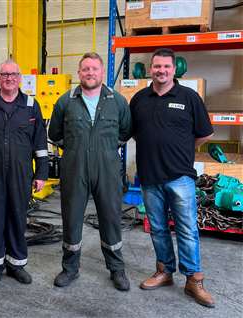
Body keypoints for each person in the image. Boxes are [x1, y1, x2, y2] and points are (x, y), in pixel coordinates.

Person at [130, 48, 215, 307]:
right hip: (149, 176)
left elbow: (204, 134)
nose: (161, 71)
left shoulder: (189, 97)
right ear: (150, 69)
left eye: (166, 66)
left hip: (180, 177)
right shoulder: (139, 99)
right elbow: (135, 133)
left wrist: (181, 151)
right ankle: (165, 271)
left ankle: (193, 280)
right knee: (157, 229)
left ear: (174, 69)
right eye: (157, 66)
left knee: (187, 229)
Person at [48, 52, 132, 291]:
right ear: (79, 73)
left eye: (94, 69)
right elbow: (55, 134)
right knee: (72, 219)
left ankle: (117, 269)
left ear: (102, 72)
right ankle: (69, 269)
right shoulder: (66, 101)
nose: (90, 73)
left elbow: (125, 131)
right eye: (85, 69)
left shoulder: (117, 101)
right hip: (75, 169)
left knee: (111, 218)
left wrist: (102, 148)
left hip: (107, 169)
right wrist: (78, 148)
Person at [0, 60, 48, 285]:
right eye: (5, 74)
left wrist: (41, 174)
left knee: (17, 217)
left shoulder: (32, 106)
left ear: (20, 78)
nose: (9, 78)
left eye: (13, 74)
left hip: (21, 175)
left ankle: (16, 264)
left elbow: (40, 144)